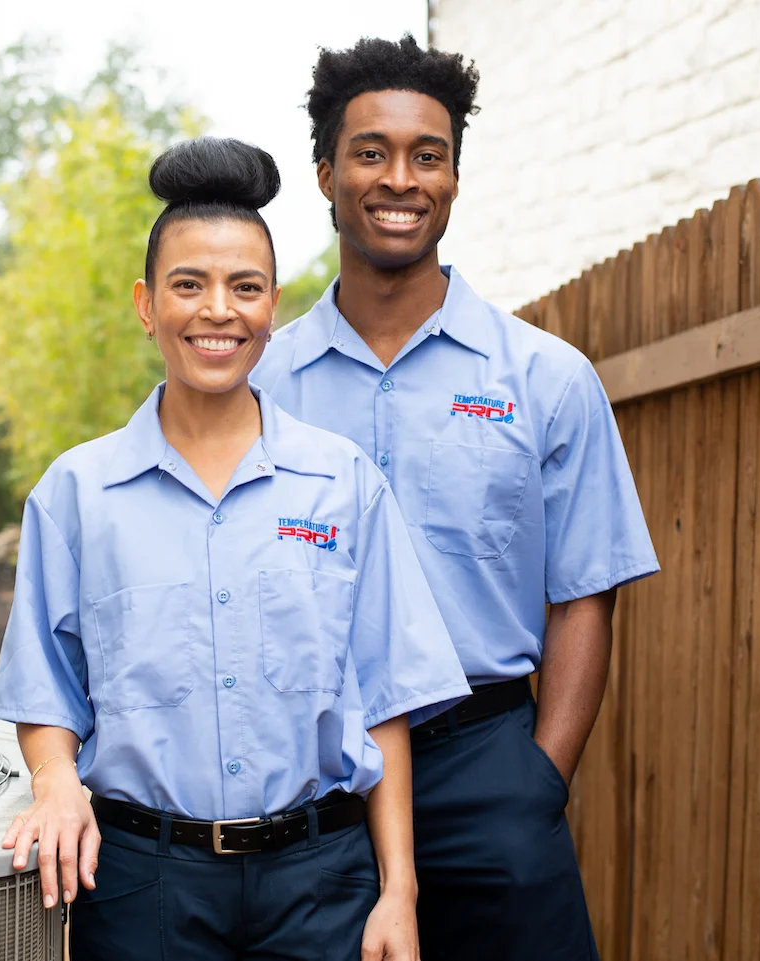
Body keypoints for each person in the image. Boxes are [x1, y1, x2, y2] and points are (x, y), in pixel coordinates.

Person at [0, 137, 469, 961]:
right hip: (145, 887)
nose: (219, 310)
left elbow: (386, 700)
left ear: (273, 305)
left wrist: (399, 891)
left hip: (321, 884)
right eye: (189, 284)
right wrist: (55, 779)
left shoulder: (342, 484)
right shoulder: (76, 494)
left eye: (245, 287)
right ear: (146, 305)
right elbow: (45, 689)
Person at [251, 36, 660, 961]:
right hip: (308, 778)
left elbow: (585, 593)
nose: (401, 178)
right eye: (372, 152)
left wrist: (536, 781)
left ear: (455, 179)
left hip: (487, 764)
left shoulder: (548, 378)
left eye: (427, 155)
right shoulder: (258, 386)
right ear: (325, 173)